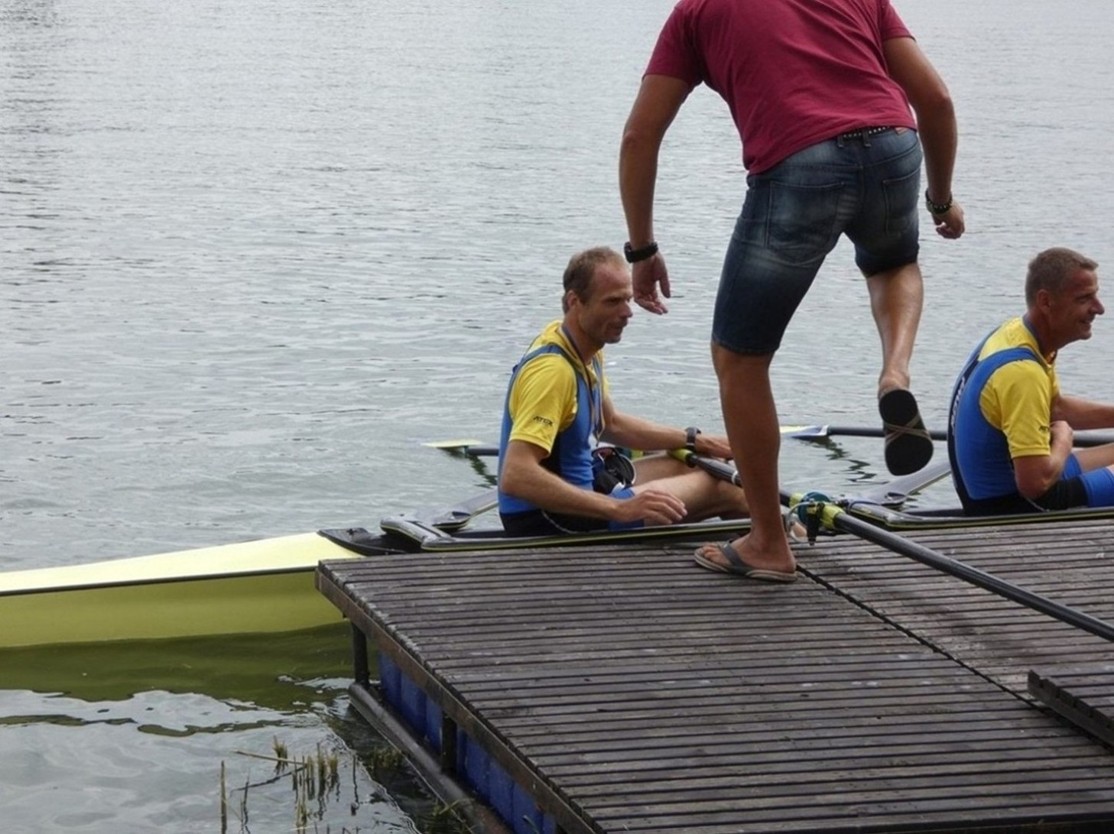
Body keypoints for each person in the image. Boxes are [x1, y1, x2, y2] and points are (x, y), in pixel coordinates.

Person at [618, 0, 965, 581]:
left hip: (801, 164)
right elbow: (936, 100)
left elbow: (639, 136)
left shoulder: (697, 12)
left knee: (740, 359)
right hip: (894, 146)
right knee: (893, 264)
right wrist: (941, 198)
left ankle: (768, 544)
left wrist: (641, 249)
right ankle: (894, 374)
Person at [497, 247, 764, 560]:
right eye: (613, 302)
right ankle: (786, 548)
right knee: (726, 487)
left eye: (627, 299)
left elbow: (611, 423)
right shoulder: (553, 373)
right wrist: (619, 508)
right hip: (551, 521)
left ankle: (759, 542)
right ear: (574, 302)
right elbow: (516, 475)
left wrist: (695, 440)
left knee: (702, 463)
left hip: (585, 490)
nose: (627, 312)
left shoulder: (579, 344)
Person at [949, 248, 1114, 515]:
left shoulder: (1016, 334)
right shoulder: (1023, 373)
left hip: (999, 490)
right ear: (1046, 302)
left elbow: (1054, 408)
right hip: (1015, 508)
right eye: (1084, 299)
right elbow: (1034, 485)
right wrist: (1063, 441)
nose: (1099, 308)